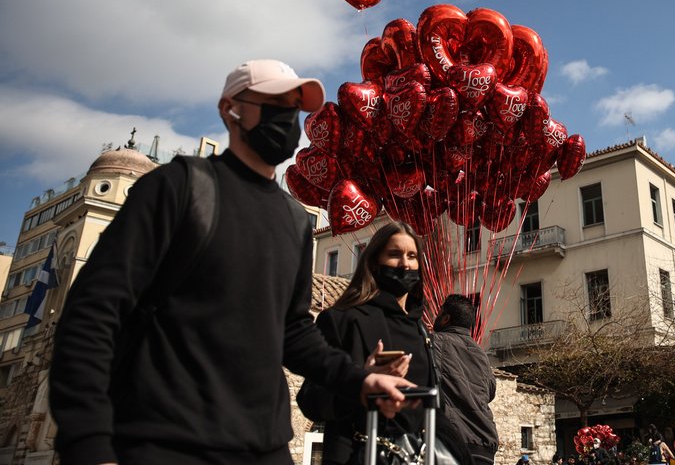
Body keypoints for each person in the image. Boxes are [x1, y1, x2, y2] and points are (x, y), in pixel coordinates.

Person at [48, 59, 413, 465]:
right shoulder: (178, 188)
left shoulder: (293, 219)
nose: (286, 117)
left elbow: (292, 332)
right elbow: (93, 312)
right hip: (166, 440)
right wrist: (88, 441)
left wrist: (359, 380)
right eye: (273, 103)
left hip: (264, 445)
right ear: (230, 109)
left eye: (294, 107)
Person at [297, 221, 470, 465]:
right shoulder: (342, 320)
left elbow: (433, 406)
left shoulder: (421, 330)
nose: (405, 264)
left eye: (412, 256)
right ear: (374, 262)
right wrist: (361, 380)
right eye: (394, 254)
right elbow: (310, 400)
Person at [432, 294, 500, 465]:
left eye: (439, 313)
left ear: (445, 318)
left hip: (452, 443)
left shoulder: (434, 343)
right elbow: (490, 392)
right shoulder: (481, 354)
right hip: (484, 444)